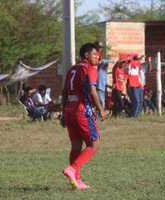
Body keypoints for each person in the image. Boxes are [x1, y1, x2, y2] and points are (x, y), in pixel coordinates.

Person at [61, 43, 105, 190]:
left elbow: (64, 92)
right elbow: (92, 90)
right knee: (95, 143)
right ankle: (72, 169)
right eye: (94, 54)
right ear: (86, 55)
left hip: (69, 109)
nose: (97, 57)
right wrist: (101, 109)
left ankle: (77, 180)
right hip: (81, 109)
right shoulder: (89, 67)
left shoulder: (72, 69)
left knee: (76, 146)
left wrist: (63, 112)